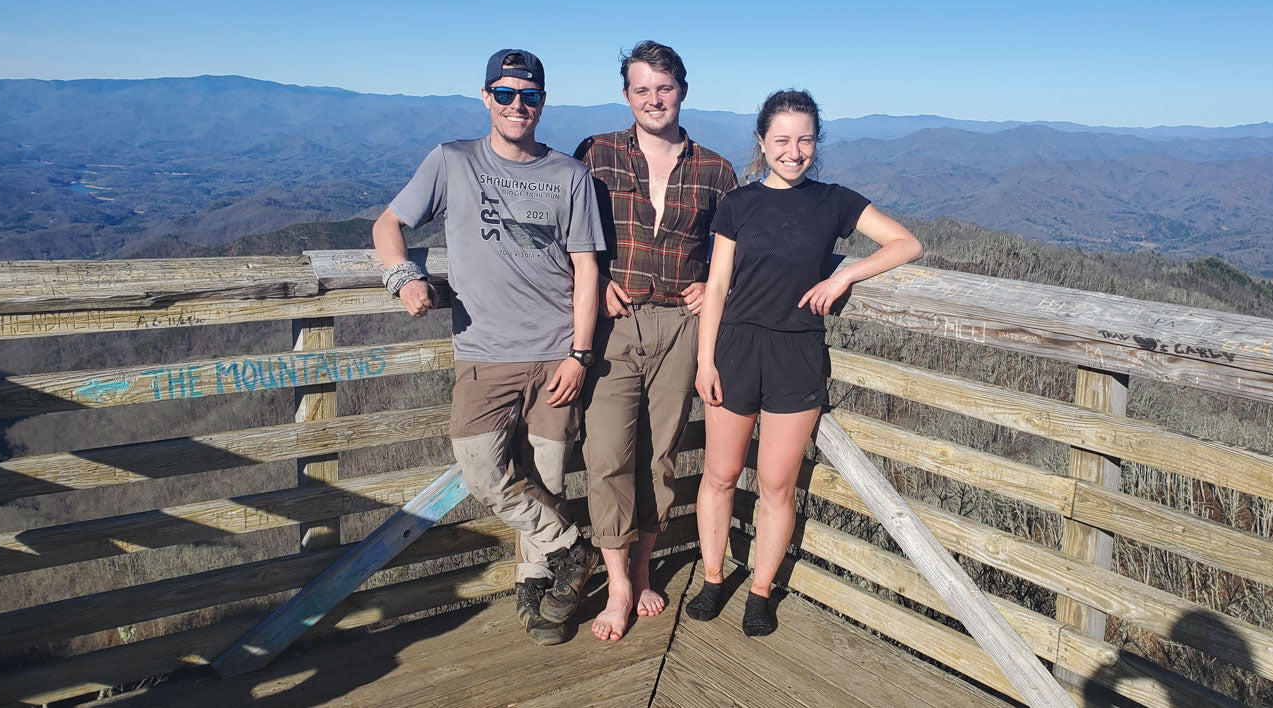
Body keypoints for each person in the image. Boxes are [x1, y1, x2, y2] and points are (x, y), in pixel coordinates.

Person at [372, 49, 603, 646]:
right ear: (486, 98)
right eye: (504, 94)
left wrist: (580, 355)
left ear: (543, 102)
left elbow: (585, 269)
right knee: (484, 470)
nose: (517, 105)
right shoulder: (452, 161)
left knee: (544, 480)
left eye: (528, 96)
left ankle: (538, 591)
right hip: (484, 355)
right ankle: (573, 550)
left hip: (556, 353)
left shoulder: (569, 175)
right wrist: (404, 278)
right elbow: (388, 226)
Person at [688, 89, 922, 636]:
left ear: (817, 143)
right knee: (720, 476)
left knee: (775, 483)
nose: (794, 151)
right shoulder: (738, 204)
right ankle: (714, 577)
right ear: (761, 142)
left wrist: (843, 275)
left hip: (797, 351)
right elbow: (718, 285)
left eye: (805, 140)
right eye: (782, 140)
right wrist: (705, 360)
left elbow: (905, 244)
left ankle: (761, 592)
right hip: (735, 348)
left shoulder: (835, 201)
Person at [574, 41, 739, 642]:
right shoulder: (595, 155)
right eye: (641, 89)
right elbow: (570, 235)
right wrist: (591, 284)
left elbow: (734, 252)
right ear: (626, 95)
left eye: (663, 88)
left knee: (660, 454)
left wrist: (709, 287)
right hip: (613, 322)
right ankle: (618, 584)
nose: (653, 99)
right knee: (607, 454)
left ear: (683, 91)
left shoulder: (717, 171)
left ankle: (643, 568)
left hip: (679, 325)